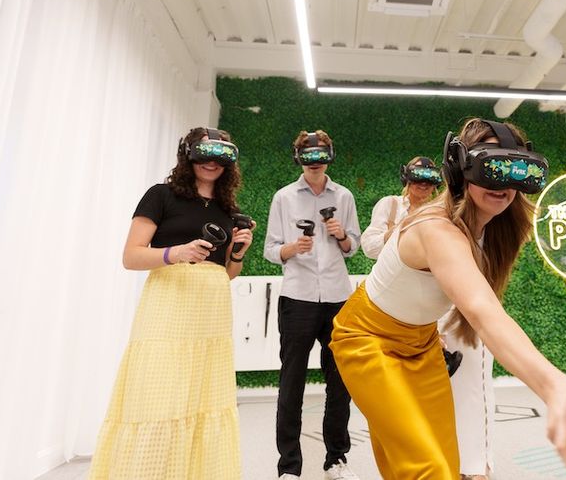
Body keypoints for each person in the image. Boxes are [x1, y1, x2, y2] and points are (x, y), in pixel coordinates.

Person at [330, 118, 566, 479]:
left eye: (516, 170)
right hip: (367, 342)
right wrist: (557, 389)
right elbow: (485, 313)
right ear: (459, 169)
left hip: (420, 343)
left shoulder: (493, 229)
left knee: (445, 465)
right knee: (428, 469)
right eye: (491, 167)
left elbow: (477, 304)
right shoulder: (435, 227)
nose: (503, 183)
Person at [89, 127, 252, 480]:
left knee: (203, 396)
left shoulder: (227, 208)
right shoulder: (160, 196)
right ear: (188, 155)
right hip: (169, 304)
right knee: (157, 395)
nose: (211, 164)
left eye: (220, 158)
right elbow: (131, 256)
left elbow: (226, 273)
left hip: (211, 310)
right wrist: (175, 253)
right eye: (204, 155)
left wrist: (238, 253)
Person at [362, 156, 497, 479]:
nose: (421, 185)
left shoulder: (450, 211)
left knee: (470, 387)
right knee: (418, 392)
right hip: (410, 308)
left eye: (428, 179)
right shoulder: (391, 206)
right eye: (415, 178)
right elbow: (369, 246)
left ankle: (476, 467)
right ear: (405, 178)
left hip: (452, 303)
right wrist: (407, 229)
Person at [263, 130, 363, 480]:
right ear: (300, 159)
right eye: (309, 157)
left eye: (321, 157)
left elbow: (355, 246)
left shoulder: (344, 196)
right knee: (292, 381)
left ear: (329, 157)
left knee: (340, 382)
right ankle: (289, 467)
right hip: (298, 297)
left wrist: (341, 235)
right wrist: (291, 249)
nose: (316, 163)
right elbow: (270, 249)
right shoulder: (284, 198)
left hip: (337, 297)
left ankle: (336, 460)